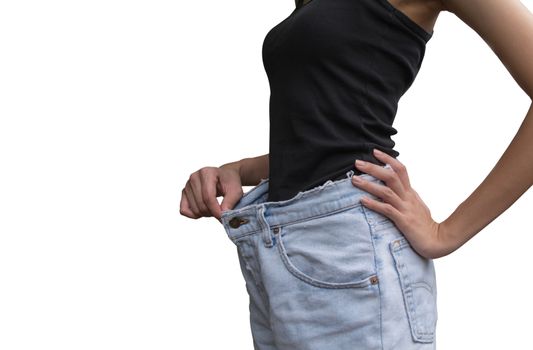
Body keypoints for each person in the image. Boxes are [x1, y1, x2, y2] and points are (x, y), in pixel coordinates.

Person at [180, 0, 533, 348]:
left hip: (351, 251)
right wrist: (238, 170)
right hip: (278, 249)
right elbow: (326, 134)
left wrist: (444, 235)